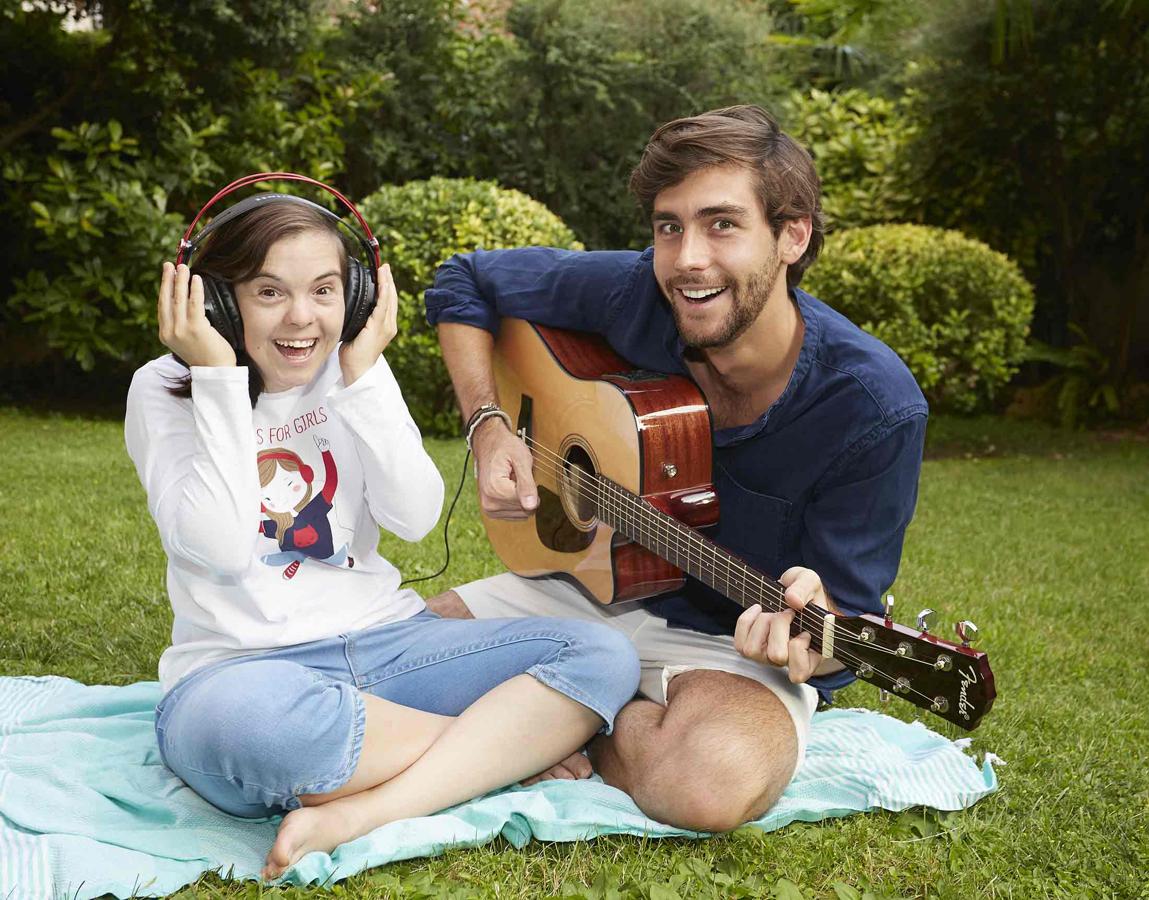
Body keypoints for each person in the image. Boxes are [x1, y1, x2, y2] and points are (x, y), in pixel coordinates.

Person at [423, 106, 928, 832]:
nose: (687, 258)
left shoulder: (872, 407)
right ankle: (553, 715)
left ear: (792, 235)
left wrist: (807, 647)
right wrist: (487, 425)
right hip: (585, 587)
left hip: (725, 652)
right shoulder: (636, 292)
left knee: (706, 784)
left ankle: (556, 720)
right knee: (378, 653)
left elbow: (841, 627)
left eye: (721, 224)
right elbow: (464, 280)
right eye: (668, 226)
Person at [125, 188, 640, 879]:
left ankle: (359, 808)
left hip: (392, 646)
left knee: (601, 656)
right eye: (269, 292)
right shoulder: (165, 389)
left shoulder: (354, 369)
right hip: (244, 671)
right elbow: (217, 551)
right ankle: (505, 753)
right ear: (215, 300)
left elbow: (415, 515)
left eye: (326, 290)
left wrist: (362, 376)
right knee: (242, 731)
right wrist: (218, 377)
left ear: (360, 296)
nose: (302, 318)